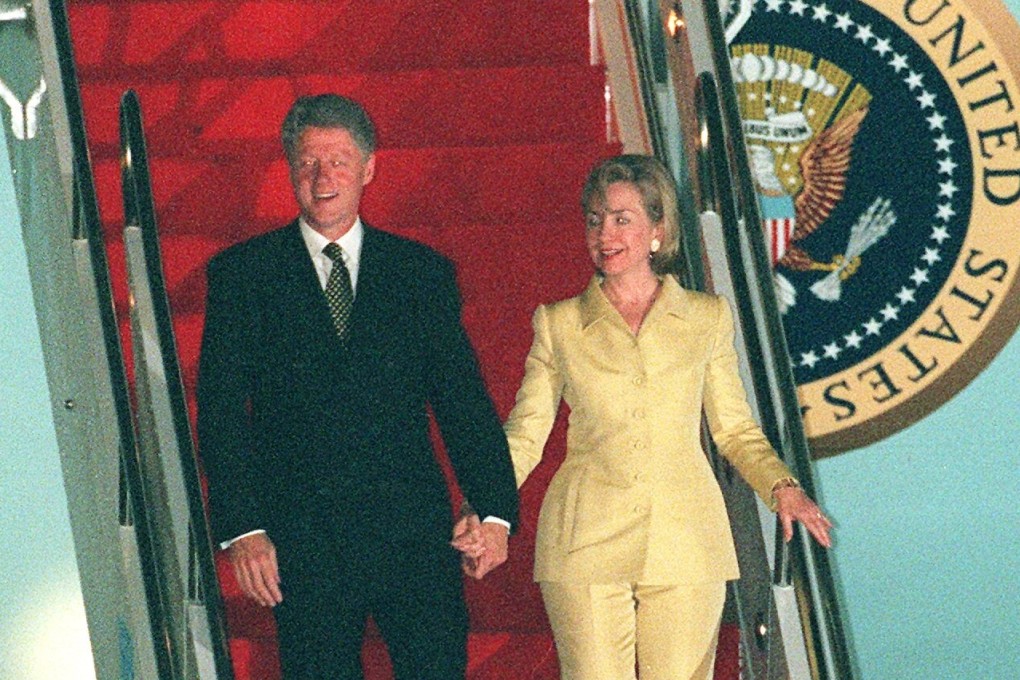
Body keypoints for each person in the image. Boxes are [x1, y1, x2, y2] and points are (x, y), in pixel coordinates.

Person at [457, 154, 833, 680]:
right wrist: (489, 508)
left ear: (658, 229)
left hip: (687, 540)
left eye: (620, 218)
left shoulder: (706, 317)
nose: (604, 233)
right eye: (594, 219)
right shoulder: (559, 324)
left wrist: (781, 487)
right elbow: (526, 433)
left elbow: (734, 429)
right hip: (583, 540)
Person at [196, 93, 519, 679]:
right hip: (302, 543)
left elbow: (461, 400)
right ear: (290, 169)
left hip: (414, 538)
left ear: (369, 168)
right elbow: (221, 413)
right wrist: (243, 529)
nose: (324, 178)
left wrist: (493, 510)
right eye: (309, 162)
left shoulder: (421, 274)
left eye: (339, 161)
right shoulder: (244, 275)